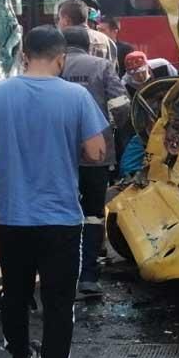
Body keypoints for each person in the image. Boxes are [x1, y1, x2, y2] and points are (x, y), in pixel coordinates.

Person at [0, 25, 107, 358]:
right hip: (61, 220)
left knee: (14, 293)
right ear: (61, 58)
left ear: (23, 54)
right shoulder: (75, 96)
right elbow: (97, 152)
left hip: (12, 217)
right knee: (58, 303)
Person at [59, 26, 129, 298]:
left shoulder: (55, 67)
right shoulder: (101, 65)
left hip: (60, 153)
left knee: (63, 212)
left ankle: (62, 272)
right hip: (96, 154)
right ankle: (88, 276)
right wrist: (110, 130)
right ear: (89, 44)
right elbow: (122, 105)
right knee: (93, 214)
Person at [58, 0, 116, 66]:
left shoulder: (58, 39)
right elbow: (112, 70)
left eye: (59, 18)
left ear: (66, 20)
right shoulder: (107, 40)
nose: (58, 23)